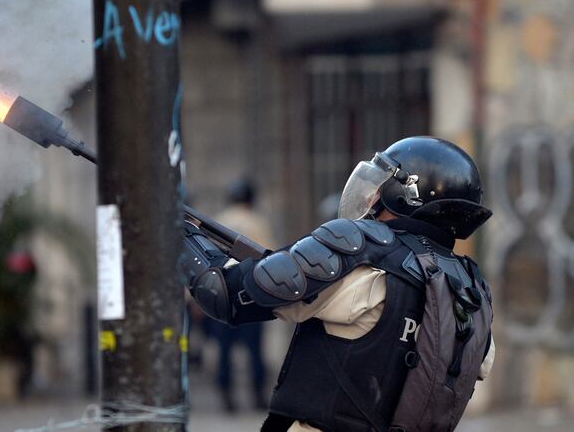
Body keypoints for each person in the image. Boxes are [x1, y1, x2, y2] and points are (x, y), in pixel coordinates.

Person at [179, 136, 496, 432]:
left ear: (407, 194)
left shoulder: (364, 253)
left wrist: (173, 228)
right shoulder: (469, 290)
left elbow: (223, 294)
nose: (372, 196)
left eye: (381, 187)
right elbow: (478, 365)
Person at [209, 179, 275, 412]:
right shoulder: (258, 222)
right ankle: (257, 395)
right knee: (254, 350)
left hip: (223, 295)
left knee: (224, 350)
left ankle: (227, 396)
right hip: (253, 295)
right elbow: (270, 260)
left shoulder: (218, 221)